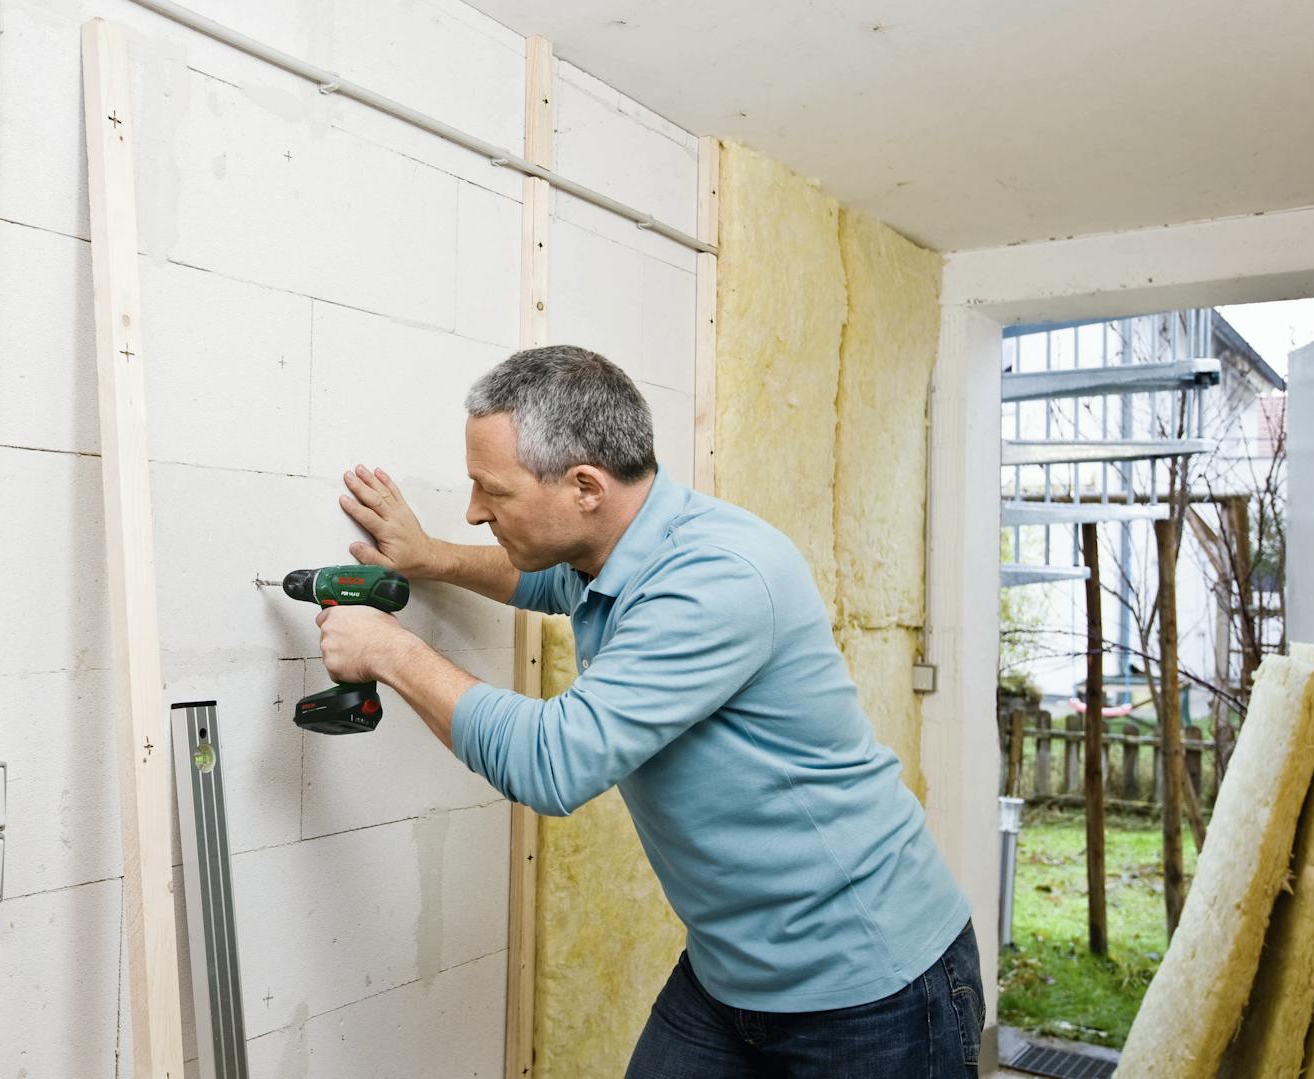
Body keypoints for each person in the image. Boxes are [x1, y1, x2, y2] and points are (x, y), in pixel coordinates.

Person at [314, 345, 984, 1077]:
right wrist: (431, 557)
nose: (475, 511)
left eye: (491, 491)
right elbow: (548, 584)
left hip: (872, 987)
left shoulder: (715, 577)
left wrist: (390, 651)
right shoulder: (620, 549)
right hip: (730, 974)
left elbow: (553, 762)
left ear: (585, 487)